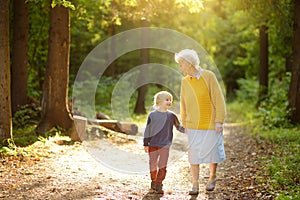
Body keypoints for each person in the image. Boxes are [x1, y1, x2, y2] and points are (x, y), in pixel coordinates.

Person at [175, 49, 226, 195]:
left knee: (212, 153)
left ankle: (212, 177)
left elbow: (218, 99)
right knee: (193, 155)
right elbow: (183, 103)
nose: (180, 68)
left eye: (181, 64)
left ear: (189, 63)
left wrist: (219, 121)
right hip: (193, 125)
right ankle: (195, 183)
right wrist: (183, 123)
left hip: (210, 123)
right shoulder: (185, 81)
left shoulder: (209, 76)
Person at [143, 91, 184, 194]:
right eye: (167, 100)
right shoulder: (152, 115)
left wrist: (189, 131)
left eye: (170, 100)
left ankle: (159, 183)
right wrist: (145, 143)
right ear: (159, 102)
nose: (169, 102)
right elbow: (148, 130)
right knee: (153, 164)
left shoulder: (171, 116)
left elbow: (179, 127)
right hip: (152, 144)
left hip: (165, 145)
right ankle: (153, 180)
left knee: (162, 165)